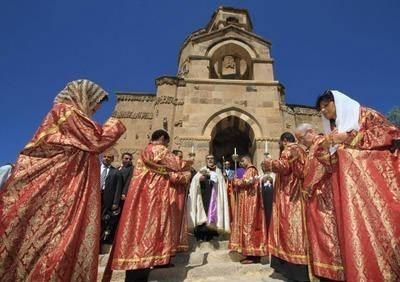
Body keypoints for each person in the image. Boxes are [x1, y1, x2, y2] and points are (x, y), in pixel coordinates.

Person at [0, 79, 126, 282]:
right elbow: (97, 140)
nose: (97, 107)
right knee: (55, 237)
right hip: (61, 187)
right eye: (95, 102)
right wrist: (117, 123)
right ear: (83, 96)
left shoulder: (63, 114)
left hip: (65, 185)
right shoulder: (67, 112)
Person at [315, 90, 400, 281]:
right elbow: (330, 162)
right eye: (320, 108)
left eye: (325, 105)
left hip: (374, 187)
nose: (322, 110)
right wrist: (324, 148)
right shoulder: (335, 129)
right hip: (348, 193)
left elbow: (390, 133)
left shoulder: (366, 115)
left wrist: (350, 138)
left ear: (337, 102)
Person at [107, 130, 193, 282]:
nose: (167, 145)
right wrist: (189, 165)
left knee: (138, 228)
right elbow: (177, 164)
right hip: (154, 196)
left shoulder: (145, 151)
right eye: (167, 142)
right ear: (161, 139)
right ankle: (151, 262)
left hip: (139, 194)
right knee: (154, 227)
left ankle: (144, 262)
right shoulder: (159, 149)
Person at [295, 123, 344, 281]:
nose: (301, 142)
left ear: (310, 132)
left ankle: (334, 273)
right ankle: (323, 272)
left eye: (301, 138)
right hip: (314, 199)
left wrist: (308, 187)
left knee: (328, 235)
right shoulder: (311, 150)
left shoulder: (322, 143)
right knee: (318, 236)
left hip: (324, 196)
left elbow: (323, 168)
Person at [262, 132, 309, 282]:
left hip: (289, 196)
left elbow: (284, 166)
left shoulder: (289, 148)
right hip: (298, 193)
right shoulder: (302, 149)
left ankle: (293, 270)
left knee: (290, 229)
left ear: (284, 141)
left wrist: (268, 163)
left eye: (280, 143)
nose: (280, 145)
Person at [229, 155, 268, 264]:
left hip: (250, 203)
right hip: (246, 202)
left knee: (249, 226)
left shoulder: (251, 170)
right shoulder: (249, 170)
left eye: (242, 160)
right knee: (247, 226)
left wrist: (235, 181)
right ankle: (249, 253)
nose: (241, 163)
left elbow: (246, 182)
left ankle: (253, 255)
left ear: (248, 160)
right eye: (240, 161)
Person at [187, 154, 230, 241]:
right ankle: (201, 235)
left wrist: (216, 179)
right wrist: (200, 179)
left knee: (212, 214)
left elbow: (221, 184)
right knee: (202, 214)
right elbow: (195, 181)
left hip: (214, 198)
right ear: (205, 160)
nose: (210, 160)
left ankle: (212, 234)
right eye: (208, 159)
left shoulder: (218, 171)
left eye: (212, 159)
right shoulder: (202, 170)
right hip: (203, 197)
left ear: (214, 160)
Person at [169, 150, 192, 255]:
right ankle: (170, 245)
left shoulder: (181, 169)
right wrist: (184, 176)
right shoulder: (169, 167)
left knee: (179, 217)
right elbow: (173, 177)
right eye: (179, 157)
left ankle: (178, 243)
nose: (181, 159)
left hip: (180, 194)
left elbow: (186, 178)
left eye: (182, 157)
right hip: (171, 194)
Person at [100, 149, 120, 248]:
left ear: (112, 159)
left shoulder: (116, 172)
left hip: (107, 199)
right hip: (95, 196)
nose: (106, 158)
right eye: (105, 156)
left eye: (109, 157)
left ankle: (101, 241)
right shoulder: (95, 169)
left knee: (103, 219)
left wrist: (115, 202)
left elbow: (118, 189)